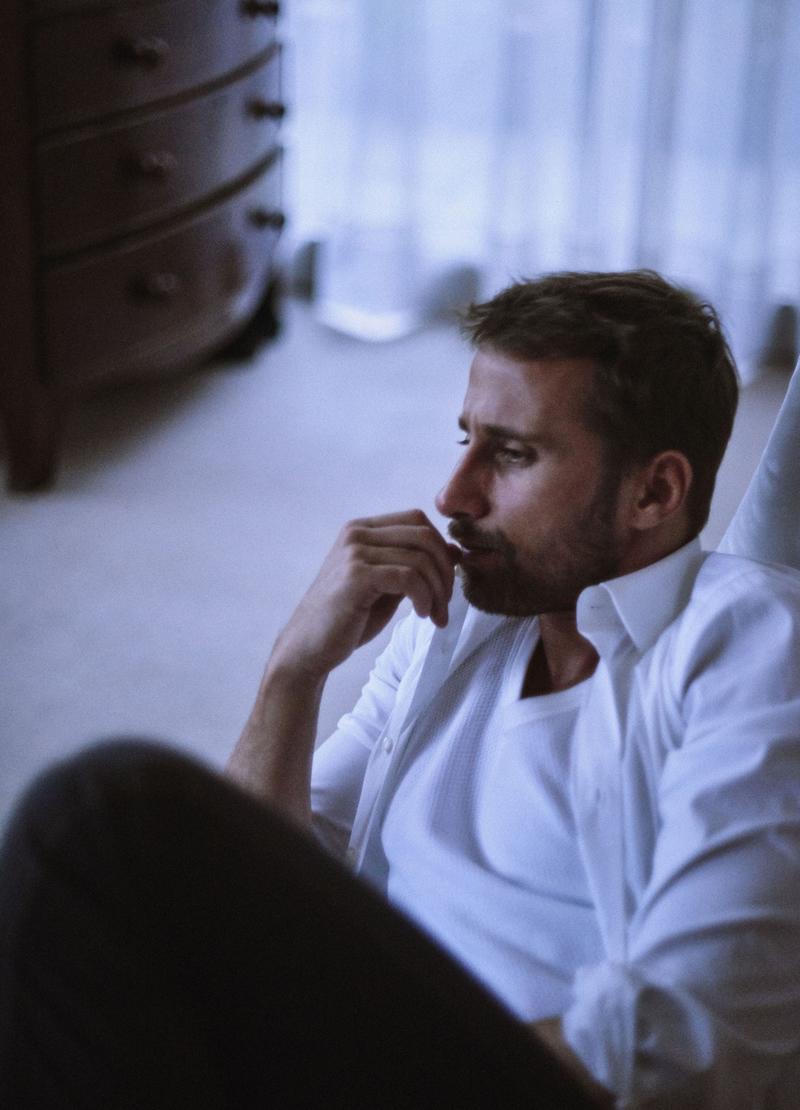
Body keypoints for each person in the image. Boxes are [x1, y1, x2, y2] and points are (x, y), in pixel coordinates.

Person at [2, 271, 800, 1109]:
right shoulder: (454, 618)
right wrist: (293, 673)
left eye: (514, 453)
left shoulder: (750, 641)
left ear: (655, 491)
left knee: (106, 814)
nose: (454, 497)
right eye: (467, 441)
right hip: (349, 1047)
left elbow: (685, 1044)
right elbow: (266, 899)